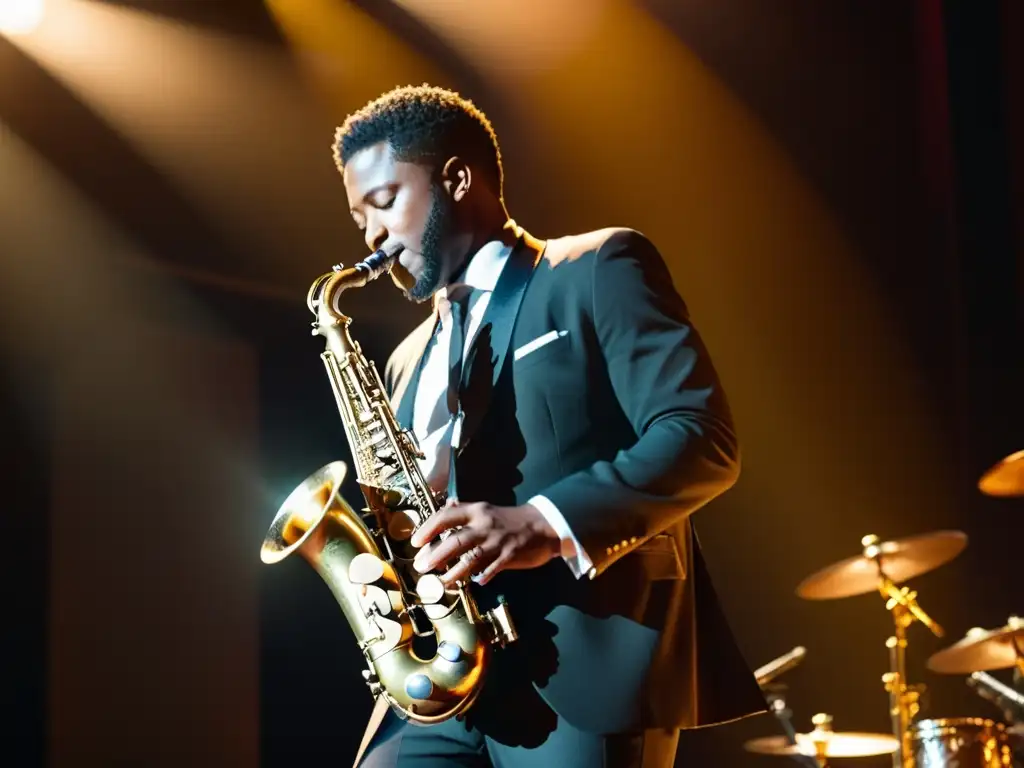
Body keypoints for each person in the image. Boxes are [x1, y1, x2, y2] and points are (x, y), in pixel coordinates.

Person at [333, 84, 766, 768]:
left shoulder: (598, 267)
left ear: (456, 178)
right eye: (359, 218)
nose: (372, 236)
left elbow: (700, 435)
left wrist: (542, 521)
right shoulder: (404, 357)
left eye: (384, 203)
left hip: (578, 668)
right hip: (442, 676)